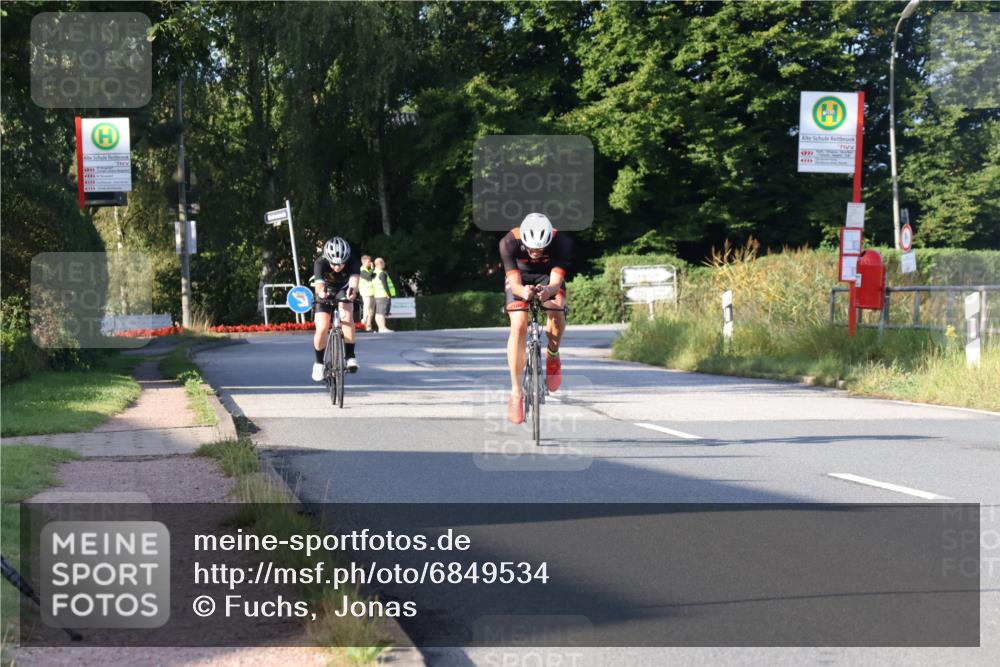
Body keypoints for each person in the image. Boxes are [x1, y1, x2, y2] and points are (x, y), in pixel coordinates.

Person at [499, 213, 570, 424]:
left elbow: (556, 283)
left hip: (548, 278)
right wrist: (524, 292)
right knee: (519, 325)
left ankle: (553, 355)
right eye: (532, 249)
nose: (536, 253)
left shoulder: (561, 242)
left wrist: (547, 291)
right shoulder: (508, 242)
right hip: (520, 278)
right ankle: (515, 394)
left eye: (541, 249)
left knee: (556, 313)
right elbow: (516, 284)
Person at [311, 237, 361, 382]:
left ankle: (350, 357)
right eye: (334, 264)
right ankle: (319, 363)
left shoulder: (353, 262)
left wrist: (352, 293)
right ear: (328, 259)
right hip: (325, 290)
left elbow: (354, 283)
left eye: (341, 264)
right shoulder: (320, 262)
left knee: (346, 316)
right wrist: (321, 294)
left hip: (343, 290)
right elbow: (319, 286)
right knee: (322, 327)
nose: (337, 267)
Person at [372, 257, 396, 333]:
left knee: (378, 312)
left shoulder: (374, 273)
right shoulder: (382, 273)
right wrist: (388, 294)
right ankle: (383, 328)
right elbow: (385, 284)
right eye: (383, 262)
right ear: (381, 264)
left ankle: (380, 328)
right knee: (381, 312)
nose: (384, 264)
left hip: (377, 295)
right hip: (383, 295)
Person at [359, 255, 376, 331]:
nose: (370, 263)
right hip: (366, 292)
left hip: (372, 292)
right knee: (367, 308)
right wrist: (372, 269)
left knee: (371, 310)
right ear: (364, 262)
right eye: (369, 261)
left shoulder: (368, 270)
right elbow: (369, 278)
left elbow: (372, 276)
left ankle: (368, 326)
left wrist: (372, 270)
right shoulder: (362, 270)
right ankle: (363, 323)